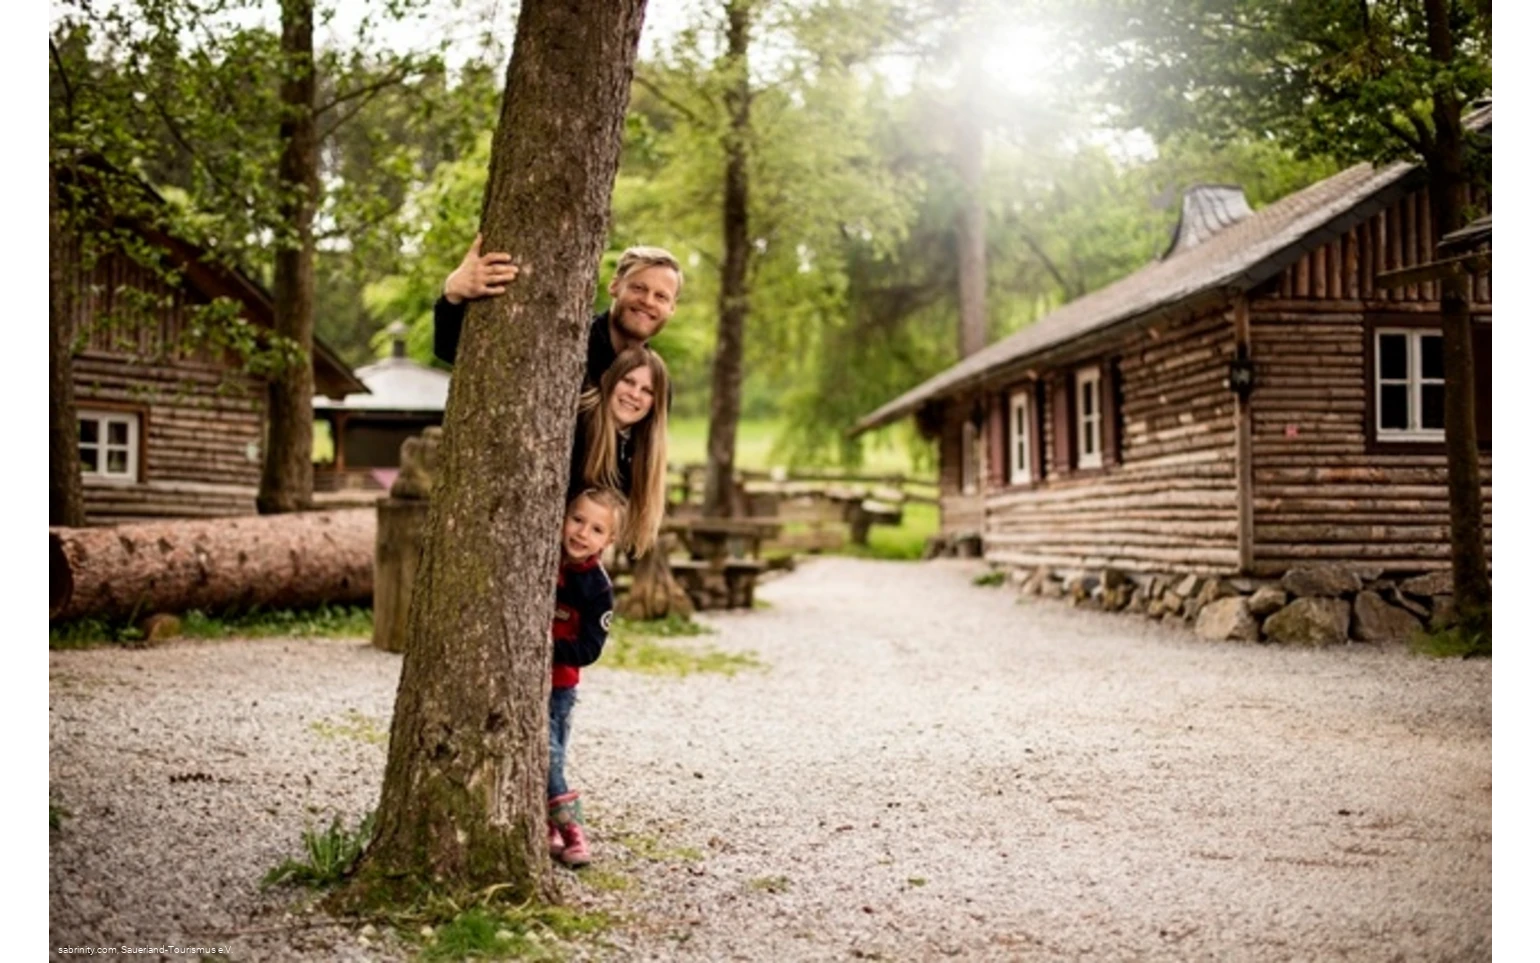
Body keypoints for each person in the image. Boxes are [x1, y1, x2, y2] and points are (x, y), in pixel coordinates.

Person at [433, 234, 683, 395]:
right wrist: (453, 292)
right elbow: (459, 354)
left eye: (661, 297)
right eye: (638, 288)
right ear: (615, 286)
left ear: (672, 308)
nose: (647, 301)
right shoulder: (565, 338)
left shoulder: (655, 382)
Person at [547, 486, 627, 868]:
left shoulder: (597, 588)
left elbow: (590, 649)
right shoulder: (544, 558)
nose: (582, 533)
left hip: (559, 686)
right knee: (544, 757)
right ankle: (556, 830)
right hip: (530, 683)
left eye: (596, 529)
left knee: (550, 760)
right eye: (577, 520)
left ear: (609, 540)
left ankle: (572, 829)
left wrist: (544, 651)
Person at [570, 345, 671, 558]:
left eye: (647, 391)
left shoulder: (637, 448)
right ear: (609, 379)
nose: (634, 394)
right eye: (628, 381)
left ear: (655, 403)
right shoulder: (579, 424)